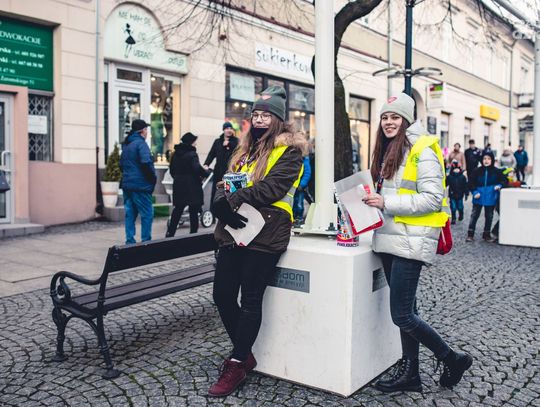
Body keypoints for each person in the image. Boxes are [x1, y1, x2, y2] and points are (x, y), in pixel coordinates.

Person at [363, 93, 473, 394]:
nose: (388, 122)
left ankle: (452, 359)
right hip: (390, 237)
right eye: (385, 117)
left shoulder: (422, 148)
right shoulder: (388, 149)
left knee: (402, 314)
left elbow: (432, 198)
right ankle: (410, 373)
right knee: (407, 309)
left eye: (395, 117)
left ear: (407, 120)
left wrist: (385, 202)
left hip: (412, 240)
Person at [208, 86, 305, 397]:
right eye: (256, 114)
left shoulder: (290, 151)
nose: (260, 119)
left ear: (278, 119)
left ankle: (237, 362)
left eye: (267, 114)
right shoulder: (244, 150)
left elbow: (273, 188)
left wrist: (233, 199)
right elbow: (227, 181)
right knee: (222, 295)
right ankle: (245, 352)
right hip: (233, 230)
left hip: (267, 231)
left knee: (251, 299)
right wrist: (219, 201)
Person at [166, 132, 210, 237]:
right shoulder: (192, 154)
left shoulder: (175, 154)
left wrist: (179, 179)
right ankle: (193, 235)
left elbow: (172, 170)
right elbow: (197, 169)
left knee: (178, 210)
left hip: (179, 185)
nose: (196, 144)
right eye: (195, 142)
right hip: (192, 186)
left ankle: (170, 233)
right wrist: (206, 172)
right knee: (193, 211)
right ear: (191, 142)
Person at [120, 119, 157, 244]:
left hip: (127, 185)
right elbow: (146, 163)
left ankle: (130, 241)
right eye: (146, 130)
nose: (147, 132)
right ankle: (146, 242)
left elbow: (121, 165)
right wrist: (152, 178)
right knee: (147, 214)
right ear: (143, 131)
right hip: (141, 186)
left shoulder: (127, 145)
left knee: (130, 214)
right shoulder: (141, 144)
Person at [466, 151, 505, 243]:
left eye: (488, 159)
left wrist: (499, 185)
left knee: (489, 216)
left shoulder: (496, 171)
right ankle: (470, 234)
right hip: (478, 197)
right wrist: (474, 192)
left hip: (491, 197)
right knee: (474, 216)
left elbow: (504, 180)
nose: (486, 161)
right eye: (484, 159)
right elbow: (470, 183)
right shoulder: (476, 171)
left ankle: (486, 235)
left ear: (492, 160)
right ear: (481, 160)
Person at [203, 122, 239, 211]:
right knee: (215, 192)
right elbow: (211, 154)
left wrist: (229, 144)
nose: (229, 130)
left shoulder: (236, 141)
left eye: (230, 128)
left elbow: (239, 152)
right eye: (227, 128)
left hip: (230, 173)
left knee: (229, 193)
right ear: (223, 130)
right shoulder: (217, 141)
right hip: (218, 172)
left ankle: (228, 211)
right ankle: (213, 211)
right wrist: (206, 164)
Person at [293, 141, 312, 224]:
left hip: (300, 186)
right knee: (293, 202)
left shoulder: (304, 161)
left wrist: (302, 184)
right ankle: (294, 216)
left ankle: (299, 217)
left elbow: (307, 173)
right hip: (293, 186)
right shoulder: (294, 160)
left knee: (299, 203)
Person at [446, 160, 467, 224]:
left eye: (458, 169)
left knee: (460, 207)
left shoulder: (462, 177)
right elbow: (446, 184)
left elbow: (465, 186)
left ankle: (461, 215)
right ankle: (453, 218)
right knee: (453, 207)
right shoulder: (450, 177)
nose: (456, 170)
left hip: (460, 195)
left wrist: (466, 193)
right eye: (455, 169)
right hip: (452, 195)